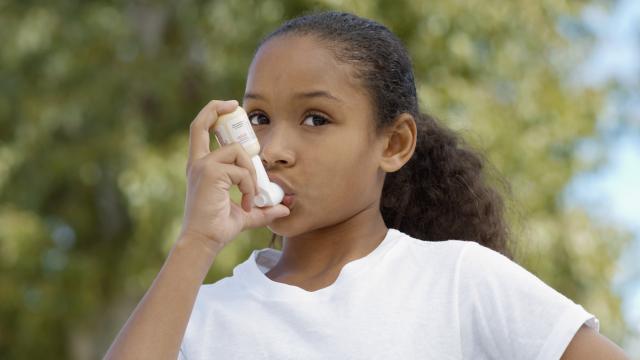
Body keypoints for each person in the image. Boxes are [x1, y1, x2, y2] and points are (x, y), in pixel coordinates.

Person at [104, 11, 629, 360]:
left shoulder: (459, 282)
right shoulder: (197, 318)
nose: (273, 148)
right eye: (259, 117)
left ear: (394, 143)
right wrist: (195, 244)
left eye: (315, 119)